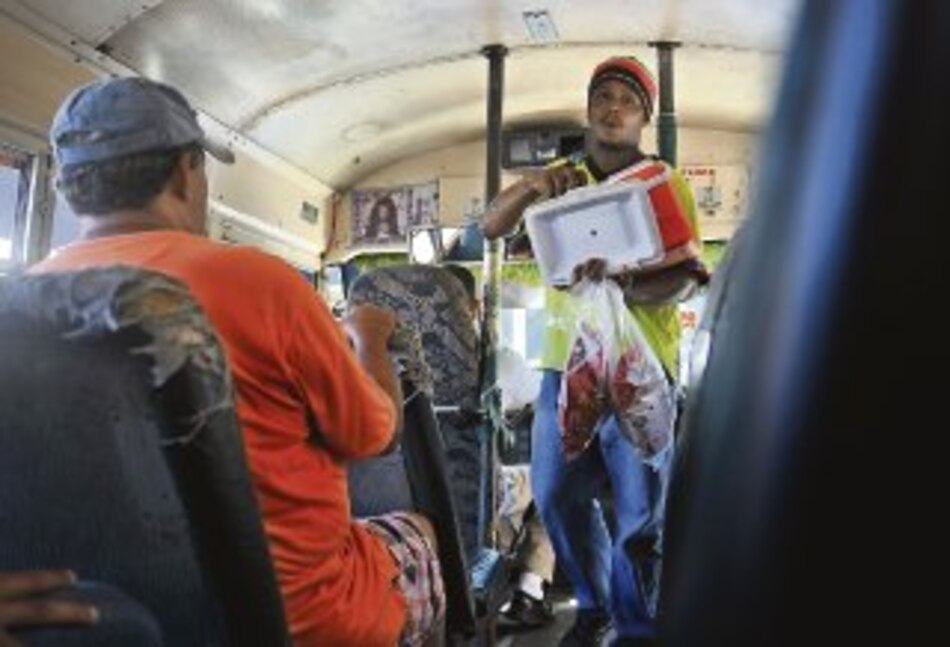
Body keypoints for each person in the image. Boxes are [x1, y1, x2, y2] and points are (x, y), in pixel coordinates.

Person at [33, 77, 444, 647]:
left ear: (64, 185)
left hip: (112, 623)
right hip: (298, 621)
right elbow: (375, 436)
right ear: (185, 171)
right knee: (418, 532)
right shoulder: (260, 282)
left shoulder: (22, 307)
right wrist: (368, 339)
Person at [482, 56, 701, 647]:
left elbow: (687, 278)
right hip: (565, 367)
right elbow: (490, 227)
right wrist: (531, 185)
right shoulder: (561, 179)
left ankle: (635, 628)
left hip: (640, 371)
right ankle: (595, 606)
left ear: (643, 117)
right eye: (602, 96)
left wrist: (621, 284)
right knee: (555, 495)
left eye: (626, 100)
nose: (612, 108)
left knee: (639, 518)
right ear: (589, 109)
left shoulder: (661, 183)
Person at [442, 264, 556, 628]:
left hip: (404, 497)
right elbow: (540, 400)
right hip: (479, 497)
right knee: (549, 486)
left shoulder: (378, 363)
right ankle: (529, 592)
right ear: (474, 307)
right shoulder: (500, 361)